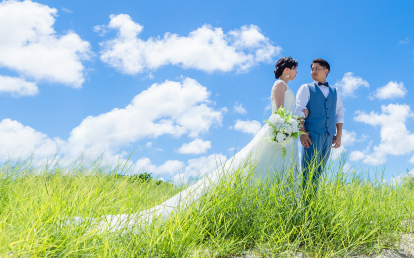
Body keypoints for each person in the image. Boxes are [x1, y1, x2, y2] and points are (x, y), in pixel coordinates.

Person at [90, 56, 301, 231]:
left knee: (276, 170)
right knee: (257, 167)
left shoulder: (286, 85)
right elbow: (279, 111)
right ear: (287, 69)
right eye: (295, 69)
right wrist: (284, 127)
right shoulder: (280, 85)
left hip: (285, 132)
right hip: (278, 130)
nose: (296, 73)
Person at [294, 58, 344, 189]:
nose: (313, 71)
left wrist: (338, 136)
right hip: (312, 135)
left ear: (326, 71)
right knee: (308, 170)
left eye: (317, 68)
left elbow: (339, 113)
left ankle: (313, 205)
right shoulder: (306, 88)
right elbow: (299, 110)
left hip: (329, 135)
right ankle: (304, 206)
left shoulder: (335, 91)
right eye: (312, 69)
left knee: (319, 172)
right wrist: (302, 133)